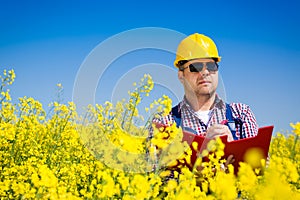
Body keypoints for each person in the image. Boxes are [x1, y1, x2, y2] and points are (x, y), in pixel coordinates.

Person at [147, 33, 258, 172]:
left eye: (211, 66)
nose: (205, 72)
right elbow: (153, 178)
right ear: (181, 75)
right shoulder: (164, 123)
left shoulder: (241, 114)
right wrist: (199, 164)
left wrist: (234, 148)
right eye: (196, 67)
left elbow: (261, 173)